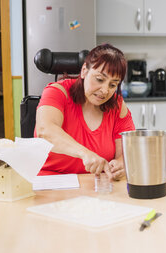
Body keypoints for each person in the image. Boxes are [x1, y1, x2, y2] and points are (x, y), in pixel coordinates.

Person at [35, 44, 134, 179]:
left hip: (98, 186)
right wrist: (84, 153)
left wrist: (121, 164)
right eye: (99, 79)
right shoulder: (57, 92)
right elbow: (45, 131)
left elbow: (128, 150)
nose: (105, 91)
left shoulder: (117, 105)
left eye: (112, 85)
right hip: (51, 183)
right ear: (84, 71)